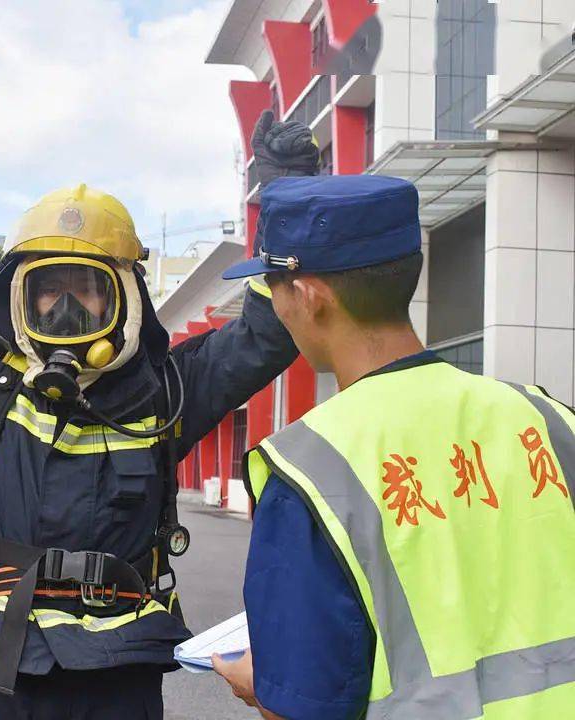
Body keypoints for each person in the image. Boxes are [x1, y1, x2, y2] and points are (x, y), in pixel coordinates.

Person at [0, 79, 309, 719]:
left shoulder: (171, 390)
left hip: (117, 668)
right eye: (50, 288)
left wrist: (283, 198)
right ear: (21, 295)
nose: (67, 306)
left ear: (123, 294)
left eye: (87, 287)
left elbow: (268, 333)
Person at [211, 174, 575, 719]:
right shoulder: (549, 420)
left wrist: (255, 686)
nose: (274, 306)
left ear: (309, 297)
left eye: (272, 287)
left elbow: (301, 706)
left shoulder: (308, 467)